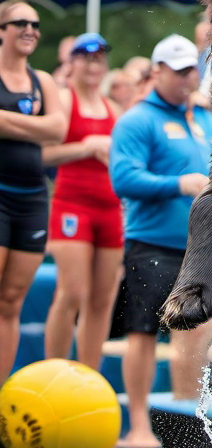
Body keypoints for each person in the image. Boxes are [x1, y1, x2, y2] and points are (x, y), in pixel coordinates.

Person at [110, 35, 212, 447]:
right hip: (154, 243)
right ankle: (150, 421)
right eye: (178, 70)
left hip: (211, 247)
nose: (188, 77)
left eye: (192, 69)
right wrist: (178, 184)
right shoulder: (138, 120)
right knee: (145, 334)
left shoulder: (207, 118)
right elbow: (123, 178)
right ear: (157, 72)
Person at [42, 33, 123, 370]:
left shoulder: (113, 109)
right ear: (72, 62)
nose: (94, 65)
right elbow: (44, 154)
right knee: (72, 292)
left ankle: (88, 375)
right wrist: (87, 146)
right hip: (72, 205)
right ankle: (55, 371)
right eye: (87, 58)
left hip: (109, 208)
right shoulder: (62, 100)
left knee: (102, 300)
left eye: (99, 59)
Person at [0, 0, 65, 385]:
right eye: (20, 22)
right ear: (1, 31)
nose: (30, 30)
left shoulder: (44, 81)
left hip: (32, 199)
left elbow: (58, 129)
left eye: (35, 24)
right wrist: (34, 123)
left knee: (11, 303)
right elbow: (47, 127)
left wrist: (8, 121)